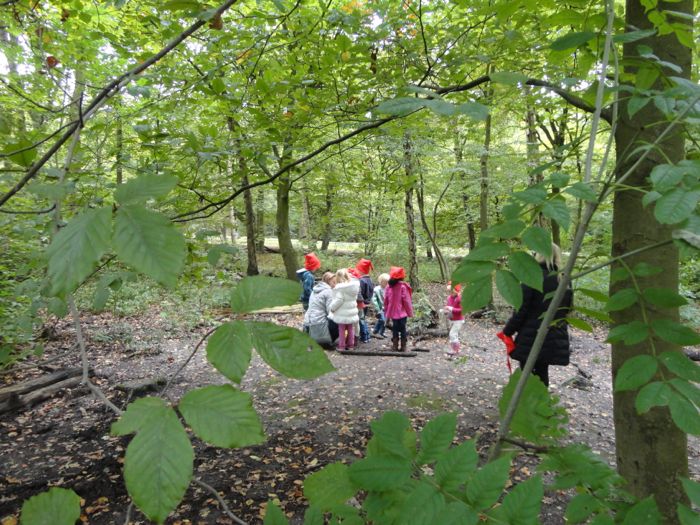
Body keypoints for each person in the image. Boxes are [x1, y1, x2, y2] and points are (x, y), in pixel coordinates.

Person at [499, 243, 573, 387]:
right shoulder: (564, 279)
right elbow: (566, 309)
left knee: (527, 374)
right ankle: (540, 405)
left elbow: (522, 309)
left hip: (531, 336)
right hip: (553, 335)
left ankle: (526, 406)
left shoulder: (532, 277)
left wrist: (508, 331)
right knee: (541, 372)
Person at [328, 268, 360, 352]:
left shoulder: (340, 289)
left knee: (341, 330)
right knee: (350, 329)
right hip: (351, 313)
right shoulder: (353, 288)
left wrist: (332, 308)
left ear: (338, 278)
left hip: (342, 314)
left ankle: (342, 346)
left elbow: (339, 300)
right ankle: (351, 345)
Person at [303, 272, 338, 347]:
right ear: (328, 281)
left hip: (307, 323)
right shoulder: (328, 291)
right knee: (339, 319)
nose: (335, 284)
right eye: (334, 282)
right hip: (320, 324)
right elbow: (330, 311)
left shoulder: (314, 290)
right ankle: (329, 341)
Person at [383, 266, 414, 352]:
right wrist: (410, 312)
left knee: (395, 329)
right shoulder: (403, 287)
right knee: (403, 328)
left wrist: (386, 311)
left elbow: (386, 300)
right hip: (402, 313)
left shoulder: (389, 287)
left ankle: (395, 346)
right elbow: (407, 301)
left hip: (393, 313)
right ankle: (403, 346)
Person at [355, 258, 374, 343]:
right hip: (367, 302)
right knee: (363, 319)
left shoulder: (361, 281)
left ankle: (364, 336)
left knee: (361, 320)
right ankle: (367, 336)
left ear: (361, 270)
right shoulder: (369, 279)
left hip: (362, 303)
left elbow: (360, 293)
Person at [443, 282, 464, 358]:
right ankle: (455, 349)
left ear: (457, 291)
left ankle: (455, 350)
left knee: (452, 334)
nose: (451, 293)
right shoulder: (449, 298)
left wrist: (451, 309)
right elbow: (448, 307)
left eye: (452, 291)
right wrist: (445, 311)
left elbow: (461, 310)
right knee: (454, 334)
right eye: (450, 291)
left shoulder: (460, 298)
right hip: (452, 318)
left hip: (459, 319)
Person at [371, 273, 389, 338]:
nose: (387, 284)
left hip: (386, 308)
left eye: (387, 282)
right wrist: (377, 308)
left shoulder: (388, 289)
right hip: (379, 307)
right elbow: (374, 299)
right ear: (381, 282)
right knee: (382, 320)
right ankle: (375, 331)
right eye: (385, 282)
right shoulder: (376, 289)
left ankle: (382, 332)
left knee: (385, 321)